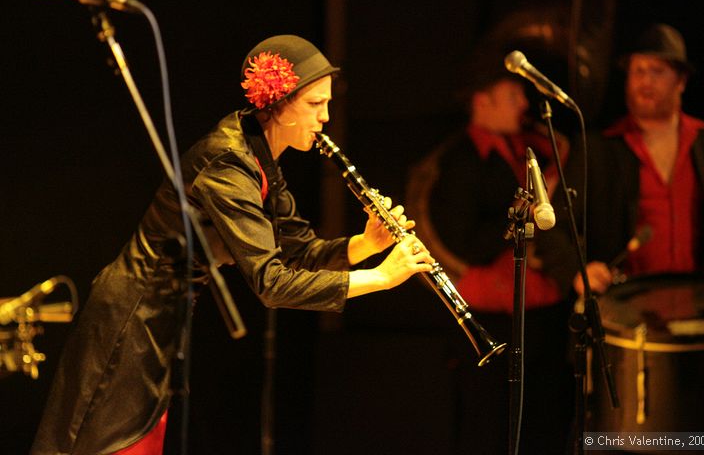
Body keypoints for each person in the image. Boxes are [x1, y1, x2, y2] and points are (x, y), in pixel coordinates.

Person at [30, 34, 435, 455]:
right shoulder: (227, 161)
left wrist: (364, 245)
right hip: (130, 319)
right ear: (278, 104)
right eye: (315, 105)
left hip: (159, 320)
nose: (326, 118)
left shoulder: (261, 160)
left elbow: (298, 252)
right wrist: (381, 278)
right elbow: (272, 283)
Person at [406, 47, 576, 454]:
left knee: (545, 419)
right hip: (490, 311)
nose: (523, 104)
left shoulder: (526, 148)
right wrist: (519, 217)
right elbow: (465, 243)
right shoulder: (462, 160)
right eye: (513, 96)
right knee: (489, 423)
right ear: (483, 102)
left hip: (542, 307)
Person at [571, 24, 704, 433]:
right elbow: (560, 225)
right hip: (628, 320)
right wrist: (579, 269)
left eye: (656, 71)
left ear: (682, 80)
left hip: (702, 316)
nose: (644, 82)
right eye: (637, 71)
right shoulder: (601, 149)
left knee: (701, 433)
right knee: (633, 434)